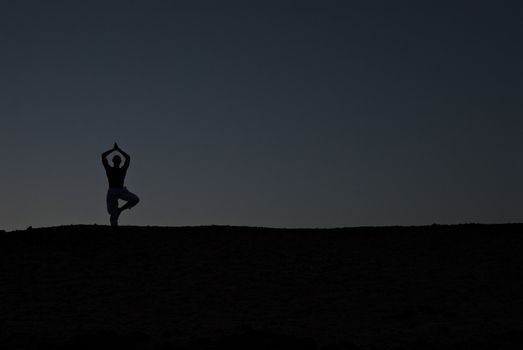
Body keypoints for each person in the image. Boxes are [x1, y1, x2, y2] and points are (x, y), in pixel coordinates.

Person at [101, 143, 140, 226]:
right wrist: (114, 150)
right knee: (113, 214)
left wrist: (118, 150)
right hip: (112, 191)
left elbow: (128, 158)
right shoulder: (109, 169)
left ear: (119, 162)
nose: (116, 161)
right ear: (113, 161)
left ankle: (120, 210)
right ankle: (114, 222)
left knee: (135, 199)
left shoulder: (122, 170)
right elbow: (103, 156)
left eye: (118, 160)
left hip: (121, 190)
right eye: (115, 160)